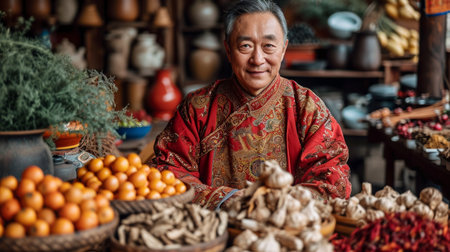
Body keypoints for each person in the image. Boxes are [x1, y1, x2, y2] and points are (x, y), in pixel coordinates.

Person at [149, 0, 351, 210]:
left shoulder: (308, 108)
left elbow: (332, 179)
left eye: (268, 46)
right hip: (211, 233)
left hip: (288, 229)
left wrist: (276, 206)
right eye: (245, 46)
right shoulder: (197, 108)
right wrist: (228, 200)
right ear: (228, 50)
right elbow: (168, 172)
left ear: (283, 50)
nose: (257, 59)